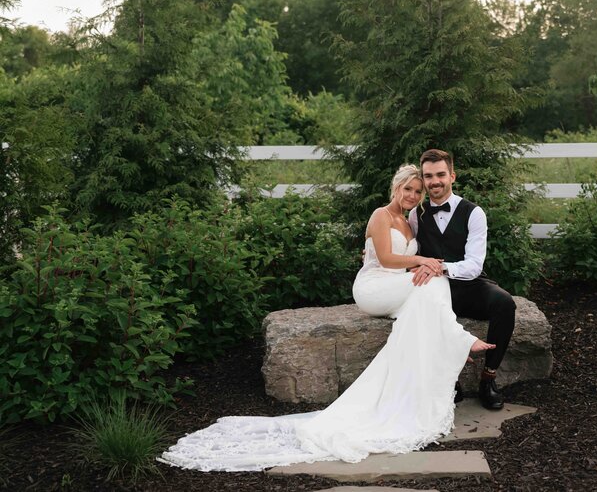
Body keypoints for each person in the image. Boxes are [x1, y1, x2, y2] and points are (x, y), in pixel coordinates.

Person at [158, 164, 494, 471]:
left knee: (426, 294)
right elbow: (389, 259)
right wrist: (424, 261)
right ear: (395, 188)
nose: (413, 195)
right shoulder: (380, 215)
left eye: (417, 192)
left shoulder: (410, 221)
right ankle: (458, 339)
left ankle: (445, 345)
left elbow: (408, 263)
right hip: (373, 287)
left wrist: (424, 264)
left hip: (395, 286)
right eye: (408, 189)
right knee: (433, 278)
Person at [408, 149, 516, 411]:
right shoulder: (415, 216)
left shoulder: (474, 213)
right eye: (429, 176)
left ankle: (488, 379)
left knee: (505, 304)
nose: (435, 181)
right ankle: (449, 381)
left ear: (452, 176)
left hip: (469, 285)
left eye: (441, 175)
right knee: (428, 311)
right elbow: (404, 251)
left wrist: (439, 267)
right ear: (423, 180)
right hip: (435, 290)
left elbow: (474, 265)